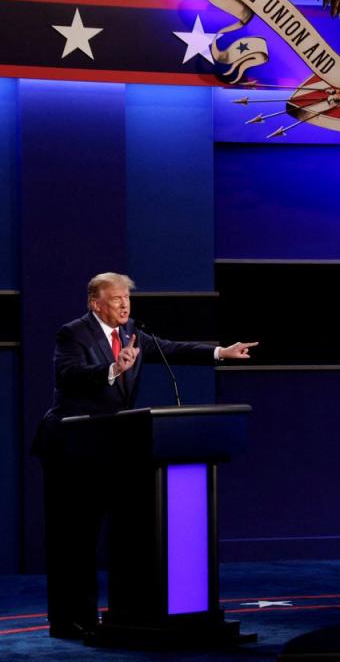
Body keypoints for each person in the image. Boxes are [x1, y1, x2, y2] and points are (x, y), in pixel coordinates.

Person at [32, 272, 258, 640]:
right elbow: (70, 375)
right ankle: (69, 621)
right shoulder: (72, 333)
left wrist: (221, 352)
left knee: (124, 535)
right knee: (74, 540)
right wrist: (111, 369)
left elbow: (172, 349)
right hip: (70, 448)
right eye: (116, 298)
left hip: (112, 448)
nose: (124, 305)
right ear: (95, 303)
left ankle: (123, 614)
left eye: (127, 298)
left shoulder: (132, 332)